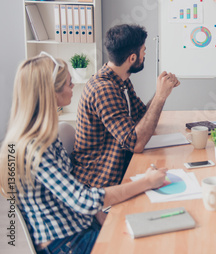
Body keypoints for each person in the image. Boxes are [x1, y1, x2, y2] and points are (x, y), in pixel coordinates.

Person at [0, 53, 168, 254]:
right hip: (66, 243)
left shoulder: (46, 134)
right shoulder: (34, 148)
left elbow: (70, 186)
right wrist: (146, 182)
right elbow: (83, 199)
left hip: (81, 223)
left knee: (152, 225)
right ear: (51, 93)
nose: (73, 87)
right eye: (69, 83)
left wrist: (97, 215)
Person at [72, 24, 180, 188]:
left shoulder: (120, 80)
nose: (145, 54)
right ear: (132, 58)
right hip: (101, 180)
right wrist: (159, 97)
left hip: (120, 166)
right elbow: (135, 143)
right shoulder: (104, 90)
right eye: (143, 50)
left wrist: (162, 92)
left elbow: (142, 116)